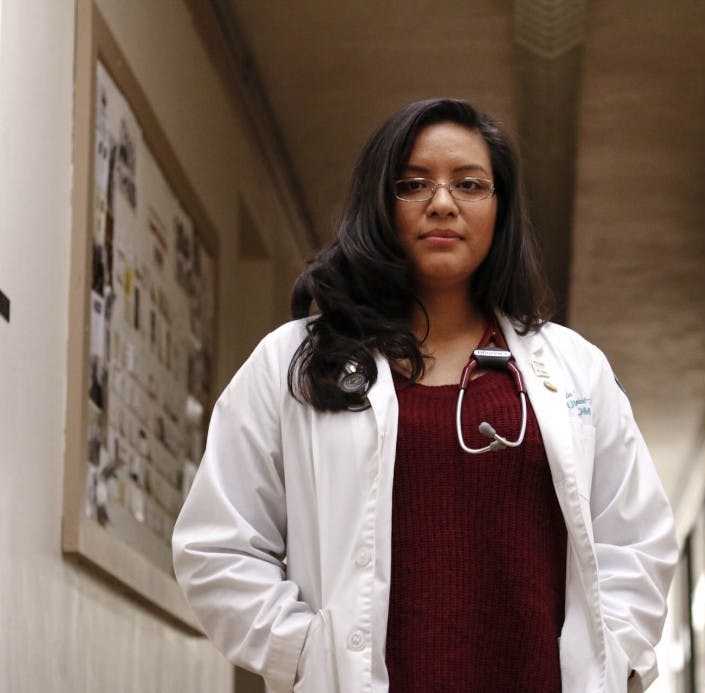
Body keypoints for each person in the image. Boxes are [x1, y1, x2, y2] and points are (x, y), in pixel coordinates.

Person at [172, 98, 677, 693]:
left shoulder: (574, 368)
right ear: (379, 205)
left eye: (470, 184)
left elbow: (636, 541)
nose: (442, 203)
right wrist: (308, 652)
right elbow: (217, 546)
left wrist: (609, 656)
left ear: (500, 208)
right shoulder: (294, 363)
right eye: (413, 184)